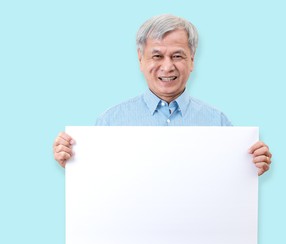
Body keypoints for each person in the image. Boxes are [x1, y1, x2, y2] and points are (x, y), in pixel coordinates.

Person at [53, 14, 272, 175]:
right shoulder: (110, 122)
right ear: (141, 60)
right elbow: (96, 182)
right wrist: (74, 163)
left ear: (192, 60)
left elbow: (230, 184)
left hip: (198, 235)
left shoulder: (218, 122)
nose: (167, 67)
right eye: (157, 56)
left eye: (177, 56)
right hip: (131, 236)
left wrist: (252, 166)